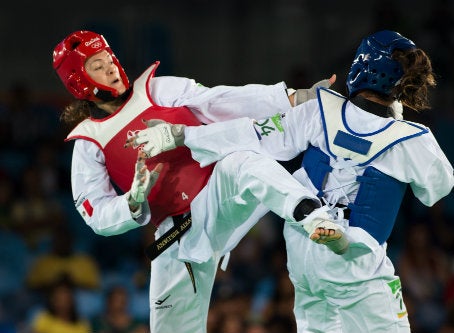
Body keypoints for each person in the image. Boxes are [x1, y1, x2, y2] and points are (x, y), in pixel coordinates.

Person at [132, 30, 454, 332]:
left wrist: (181, 135)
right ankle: (334, 229)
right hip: (356, 262)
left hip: (302, 251)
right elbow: (436, 191)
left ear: (360, 66)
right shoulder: (412, 140)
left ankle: (316, 217)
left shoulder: (321, 110)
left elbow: (252, 134)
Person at [52, 30, 347, 333]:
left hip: (217, 193)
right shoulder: (89, 143)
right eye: (97, 66)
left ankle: (311, 215)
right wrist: (132, 201)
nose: (111, 68)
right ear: (79, 82)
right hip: (177, 234)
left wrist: (292, 97)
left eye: (109, 59)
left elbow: (222, 99)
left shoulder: (158, 89)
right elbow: (95, 213)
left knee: (241, 162)